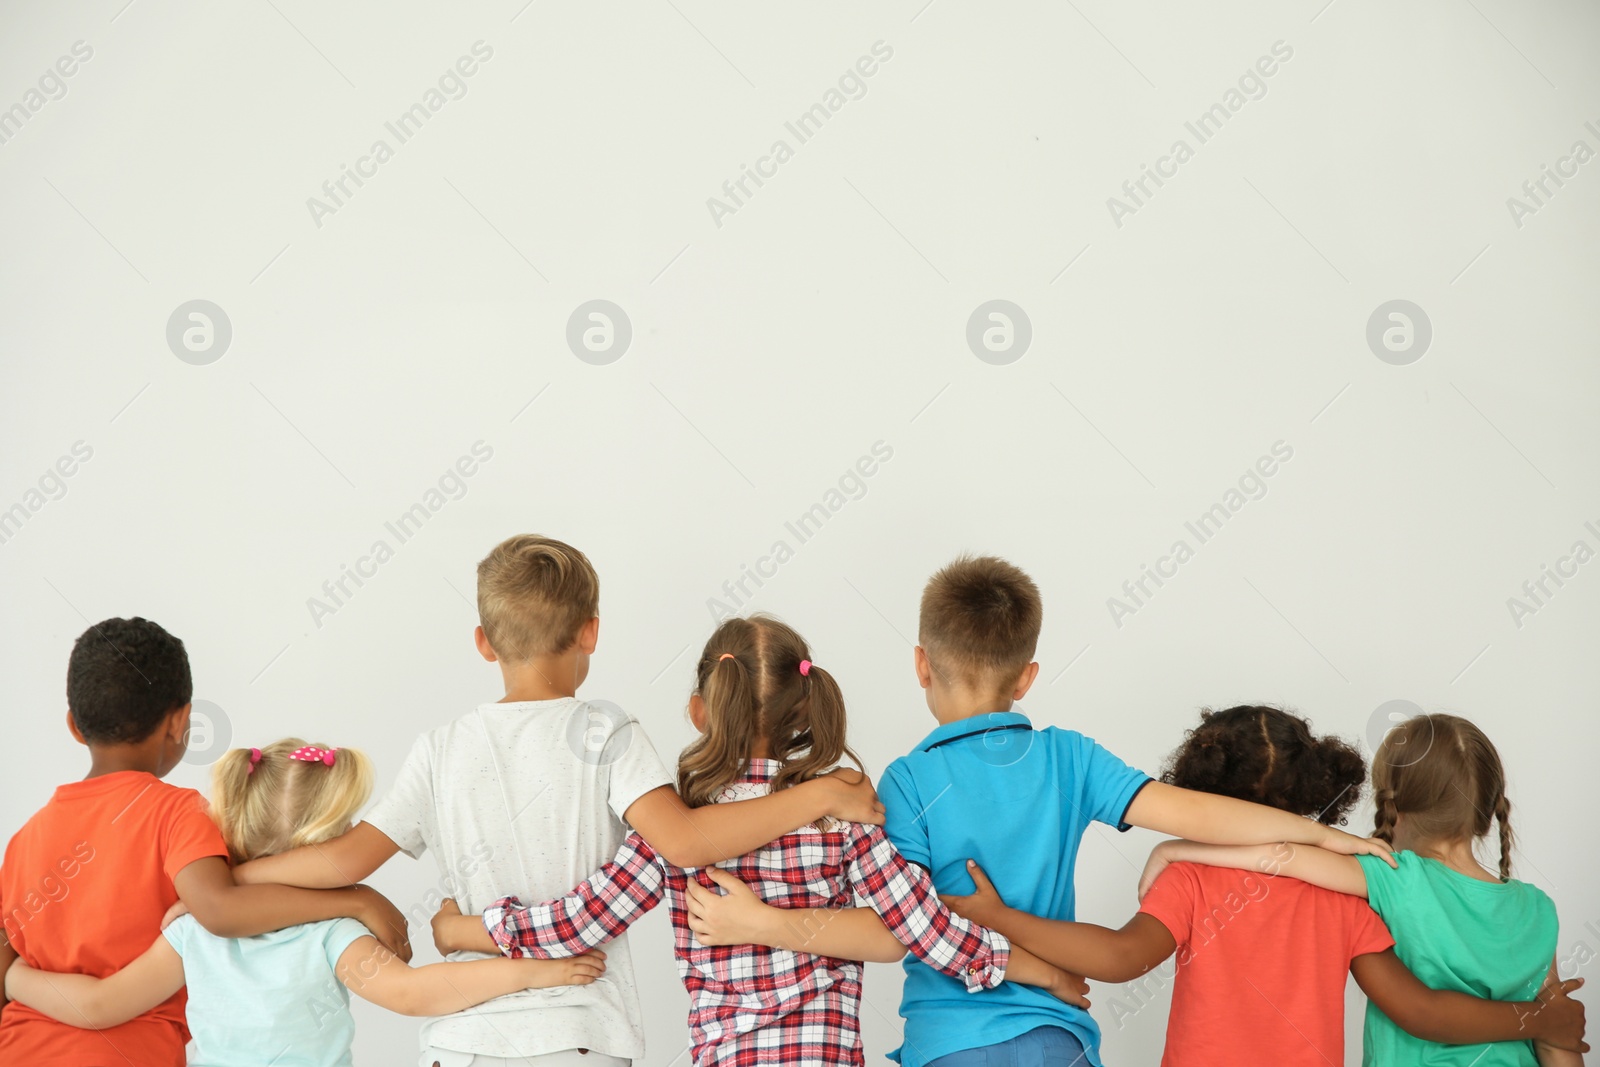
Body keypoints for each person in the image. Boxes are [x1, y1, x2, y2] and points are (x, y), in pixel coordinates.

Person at [687, 556, 1399, 1067]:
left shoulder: (905, 782)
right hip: (1057, 1037)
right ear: (1027, 675)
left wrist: (761, 923)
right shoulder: (1069, 758)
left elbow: (892, 932)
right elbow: (1197, 814)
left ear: (920, 663)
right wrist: (1316, 832)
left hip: (949, 1043)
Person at [232, 535, 884, 1066]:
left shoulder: (441, 746)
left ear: (484, 641)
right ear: (591, 632)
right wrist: (823, 789)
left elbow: (343, 862)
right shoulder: (607, 730)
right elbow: (683, 840)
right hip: (579, 1034)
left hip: (461, 1038)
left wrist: (237, 876)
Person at [431, 615, 1084, 1067]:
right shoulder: (846, 808)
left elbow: (580, 919)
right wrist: (1036, 967)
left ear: (700, 707)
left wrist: (472, 927)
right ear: (805, 707)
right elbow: (923, 927)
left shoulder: (675, 823)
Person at [938, 705, 1588, 1065]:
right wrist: (1537, 1019)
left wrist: (1001, 915)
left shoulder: (1196, 877)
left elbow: (1116, 957)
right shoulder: (1343, 893)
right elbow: (1414, 1005)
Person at [4, 738, 607, 1067]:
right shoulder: (331, 932)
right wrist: (534, 970)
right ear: (321, 846)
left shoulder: (192, 932)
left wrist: (15, 975)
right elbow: (417, 995)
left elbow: (101, 1005)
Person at [0, 618, 406, 1066]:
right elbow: (221, 909)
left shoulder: (23, 840)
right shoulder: (177, 813)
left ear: (75, 727)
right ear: (179, 722)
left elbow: (6, 961)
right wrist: (353, 901)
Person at [1139, 711, 1581, 1067]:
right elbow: (1558, 1039)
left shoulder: (1388, 875)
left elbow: (1279, 854)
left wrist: (1178, 848)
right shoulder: (1537, 908)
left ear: (1394, 805)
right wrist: (1537, 1022)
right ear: (1489, 806)